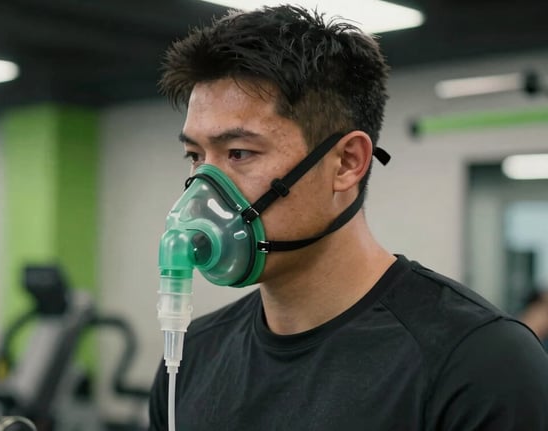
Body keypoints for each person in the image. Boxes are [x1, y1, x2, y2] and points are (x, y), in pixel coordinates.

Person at [149, 5, 548, 430]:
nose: (204, 187)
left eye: (240, 153)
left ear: (346, 163)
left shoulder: (477, 365)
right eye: (195, 156)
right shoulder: (192, 357)